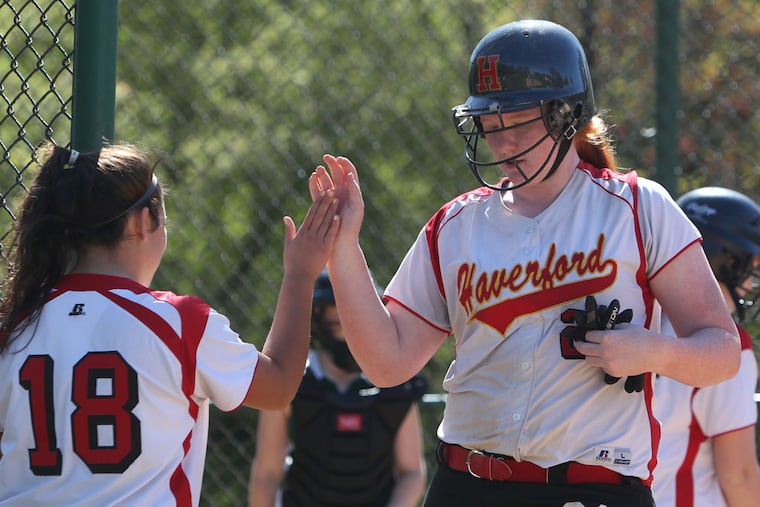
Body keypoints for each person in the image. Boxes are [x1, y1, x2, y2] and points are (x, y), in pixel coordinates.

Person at [307, 19, 741, 507]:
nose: (500, 143)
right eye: (488, 126)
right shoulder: (457, 224)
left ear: (565, 116)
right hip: (466, 484)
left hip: (592, 489)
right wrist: (344, 249)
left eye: (514, 122)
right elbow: (387, 363)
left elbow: (722, 351)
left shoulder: (638, 209)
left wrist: (652, 351)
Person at [0, 142, 339, 506]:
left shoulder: (16, 324)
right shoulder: (178, 322)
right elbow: (279, 386)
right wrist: (301, 274)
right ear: (141, 221)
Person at [248, 269, 427, 507]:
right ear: (320, 318)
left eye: (356, 318)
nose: (348, 329)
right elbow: (266, 472)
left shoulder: (395, 383)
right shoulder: (291, 378)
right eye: (338, 322)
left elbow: (412, 471)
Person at [653, 187, 760, 507]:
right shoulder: (726, 345)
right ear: (726, 259)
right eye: (750, 266)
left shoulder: (636, 320)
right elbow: (737, 475)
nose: (751, 282)